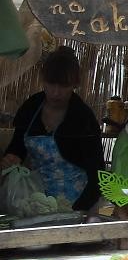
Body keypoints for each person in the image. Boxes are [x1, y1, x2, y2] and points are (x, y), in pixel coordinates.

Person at [1, 46, 104, 211]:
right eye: (51, 84)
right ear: (43, 79)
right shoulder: (31, 108)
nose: (56, 92)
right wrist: (12, 157)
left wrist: (77, 211)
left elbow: (97, 173)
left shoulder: (83, 117)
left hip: (79, 200)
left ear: (75, 83)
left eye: (64, 85)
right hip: (37, 200)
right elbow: (17, 146)